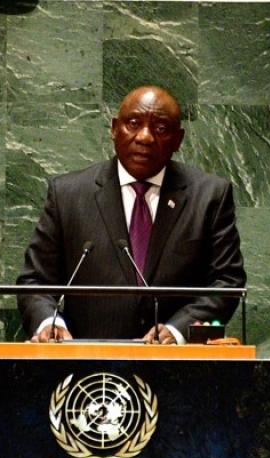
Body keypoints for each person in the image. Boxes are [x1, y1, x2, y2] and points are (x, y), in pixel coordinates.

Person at [17, 86, 246, 344]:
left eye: (160, 128)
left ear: (178, 139)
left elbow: (227, 281)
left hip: (174, 361)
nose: (145, 137)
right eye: (134, 124)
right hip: (88, 361)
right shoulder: (68, 195)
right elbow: (35, 281)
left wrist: (178, 330)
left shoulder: (209, 196)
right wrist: (50, 324)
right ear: (115, 129)